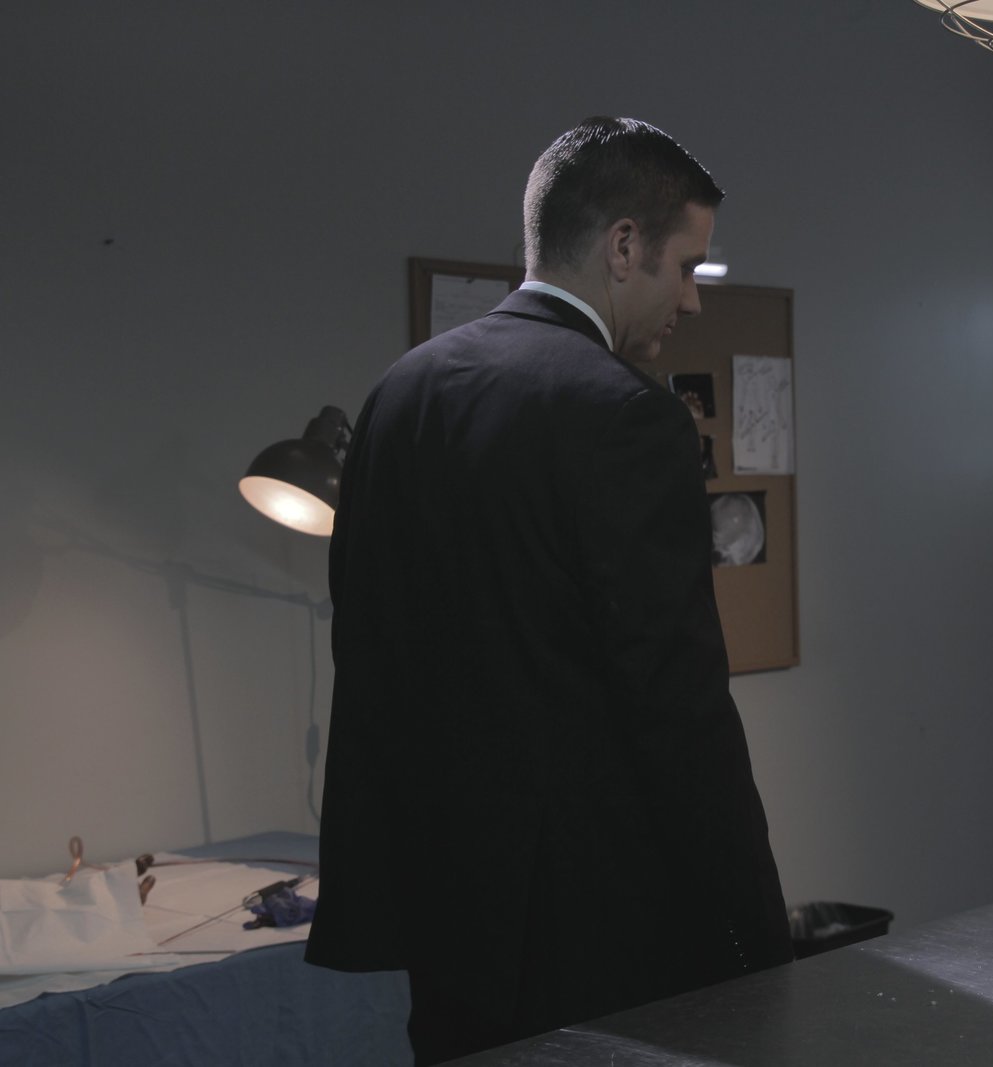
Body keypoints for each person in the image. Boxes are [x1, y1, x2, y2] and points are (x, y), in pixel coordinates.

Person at [304, 117, 793, 1065]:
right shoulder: (628, 414)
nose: (693, 299)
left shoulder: (402, 393)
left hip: (444, 918)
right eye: (687, 266)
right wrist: (759, 938)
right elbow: (678, 708)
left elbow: (366, 641)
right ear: (623, 247)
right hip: (598, 931)